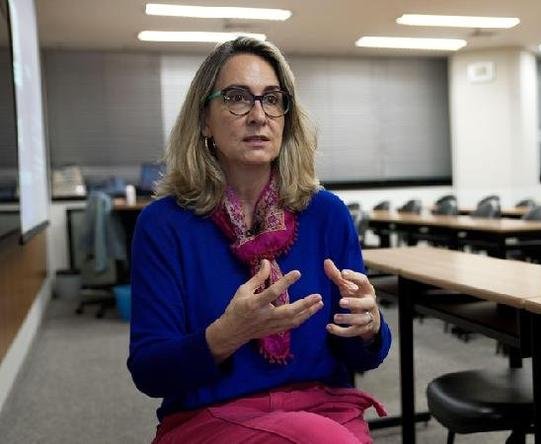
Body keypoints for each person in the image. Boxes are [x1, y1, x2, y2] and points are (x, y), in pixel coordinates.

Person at [127, 37, 391, 444]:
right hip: (209, 415)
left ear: (286, 117)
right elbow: (150, 372)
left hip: (325, 407)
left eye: (272, 99)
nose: (258, 115)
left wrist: (369, 327)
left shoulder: (327, 213)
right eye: (236, 98)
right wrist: (226, 335)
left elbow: (359, 356)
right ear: (203, 120)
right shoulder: (164, 225)